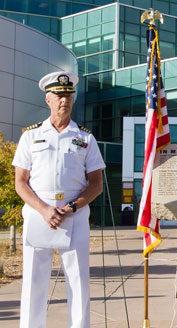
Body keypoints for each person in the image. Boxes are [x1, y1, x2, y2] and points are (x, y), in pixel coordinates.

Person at [12, 71, 105, 328]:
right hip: (38, 214)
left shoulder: (86, 138)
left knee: (78, 282)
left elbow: (96, 183)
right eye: (59, 95)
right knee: (33, 282)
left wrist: (72, 206)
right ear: (48, 99)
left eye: (68, 95)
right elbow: (20, 181)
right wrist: (44, 210)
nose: (64, 100)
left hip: (73, 215)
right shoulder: (30, 136)